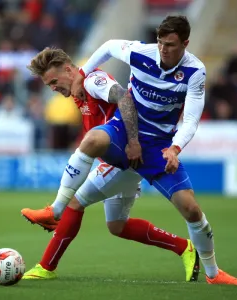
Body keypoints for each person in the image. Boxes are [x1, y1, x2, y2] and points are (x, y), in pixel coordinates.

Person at [26, 15, 237, 285]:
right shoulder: (138, 54)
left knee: (190, 209)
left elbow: (184, 117)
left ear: (185, 44)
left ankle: (214, 274)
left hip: (141, 146)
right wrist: (81, 75)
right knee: (116, 226)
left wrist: (174, 148)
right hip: (121, 143)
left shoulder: (194, 71)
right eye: (160, 42)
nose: (163, 49)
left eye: (170, 44)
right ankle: (184, 248)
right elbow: (108, 46)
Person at [22, 47, 199, 282]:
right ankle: (185, 248)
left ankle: (46, 265)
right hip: (121, 159)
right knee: (117, 226)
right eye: (48, 86)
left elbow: (125, 97)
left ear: (68, 69)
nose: (53, 88)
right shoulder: (78, 92)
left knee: (74, 203)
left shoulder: (94, 79)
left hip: (126, 156)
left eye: (54, 81)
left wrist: (133, 141)